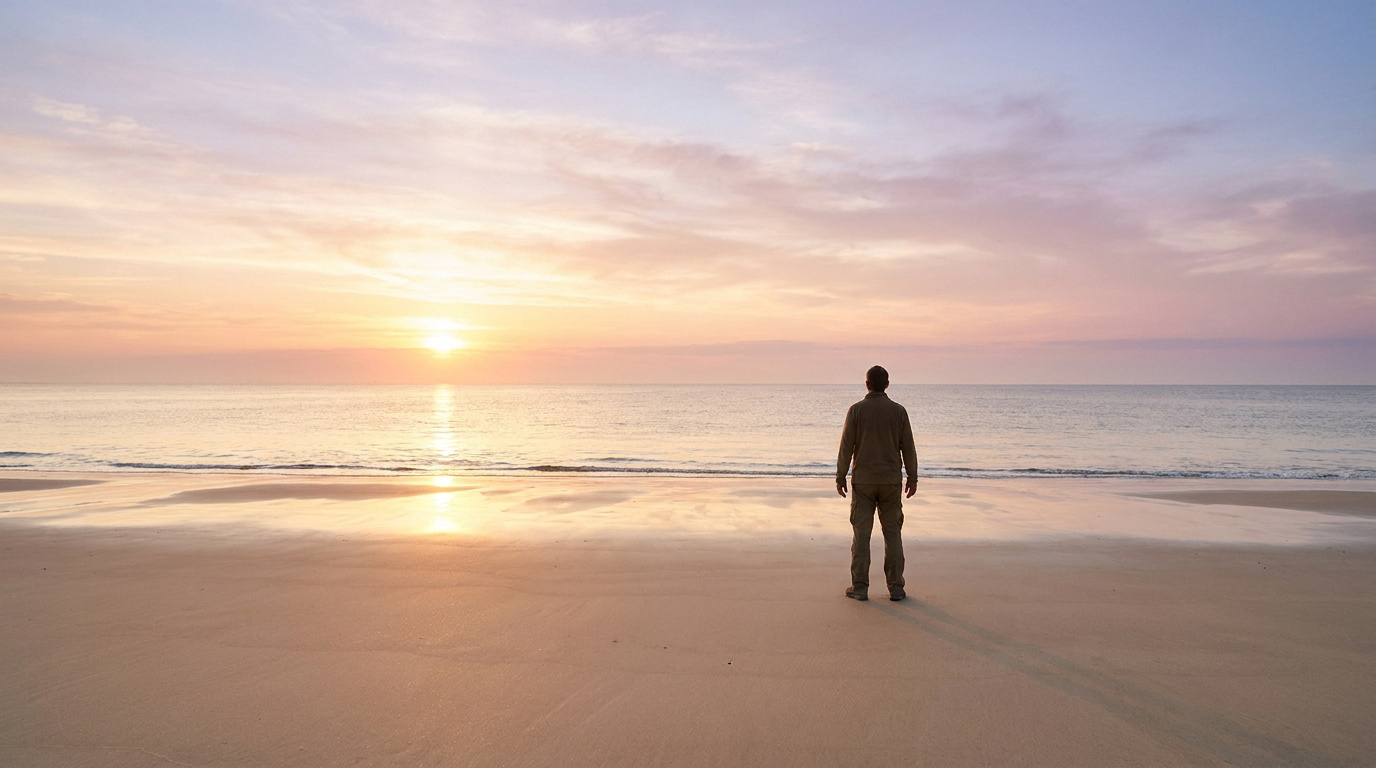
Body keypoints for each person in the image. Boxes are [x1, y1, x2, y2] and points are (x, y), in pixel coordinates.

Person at [835, 365, 918, 602]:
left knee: (861, 535)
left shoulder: (856, 411)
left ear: (867, 384)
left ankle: (860, 587)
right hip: (891, 482)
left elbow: (846, 447)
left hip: (863, 482)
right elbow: (908, 448)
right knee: (893, 534)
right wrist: (912, 477)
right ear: (887, 384)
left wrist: (840, 476)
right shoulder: (899, 412)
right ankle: (896, 587)